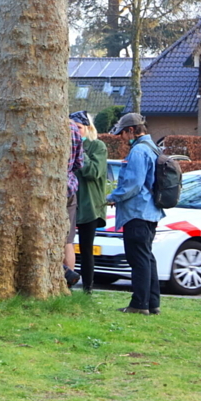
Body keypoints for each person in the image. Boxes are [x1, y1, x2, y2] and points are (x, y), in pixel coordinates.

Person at [107, 112, 164, 315]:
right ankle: (153, 303)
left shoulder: (139, 151)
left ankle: (139, 305)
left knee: (138, 260)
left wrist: (113, 196)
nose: (121, 137)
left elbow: (133, 184)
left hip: (137, 213)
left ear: (131, 130)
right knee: (147, 258)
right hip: (150, 212)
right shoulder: (153, 148)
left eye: (122, 133)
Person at [70, 111, 107, 293]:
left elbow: (94, 171)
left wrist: (79, 151)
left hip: (89, 205)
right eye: (72, 129)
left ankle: (87, 289)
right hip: (70, 202)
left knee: (86, 248)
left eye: (78, 128)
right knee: (66, 244)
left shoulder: (97, 146)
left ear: (88, 129)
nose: (75, 132)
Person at [64, 117, 85, 286]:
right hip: (69, 188)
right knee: (68, 240)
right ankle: (67, 285)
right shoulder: (73, 127)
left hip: (45, 188)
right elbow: (79, 162)